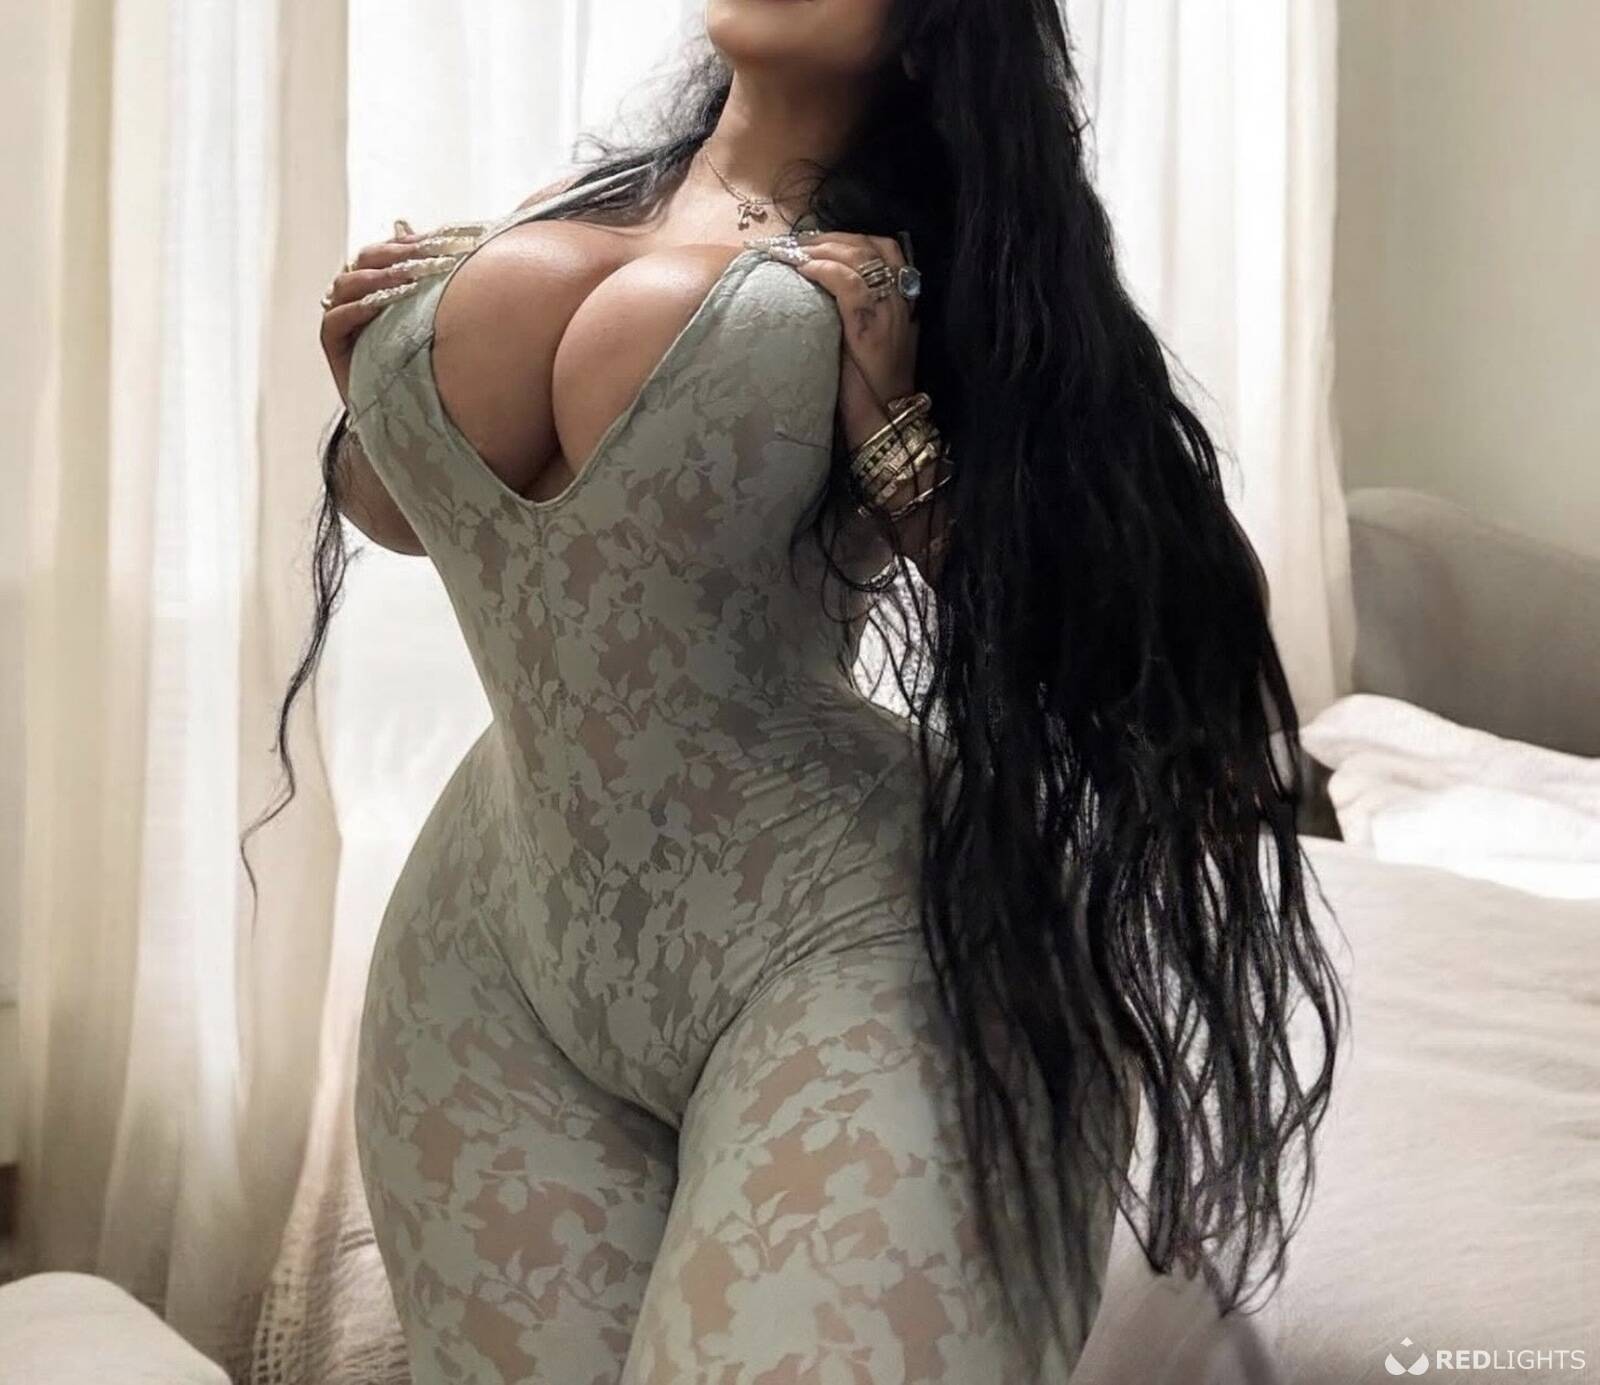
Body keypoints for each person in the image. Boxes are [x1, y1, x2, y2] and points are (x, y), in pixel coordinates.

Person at [244, 1, 1346, 1380]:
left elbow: (1186, 626)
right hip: (490, 965)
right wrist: (373, 384)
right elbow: (446, 528)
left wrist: (901, 440)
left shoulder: (924, 268)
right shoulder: (573, 208)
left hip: (840, 944)